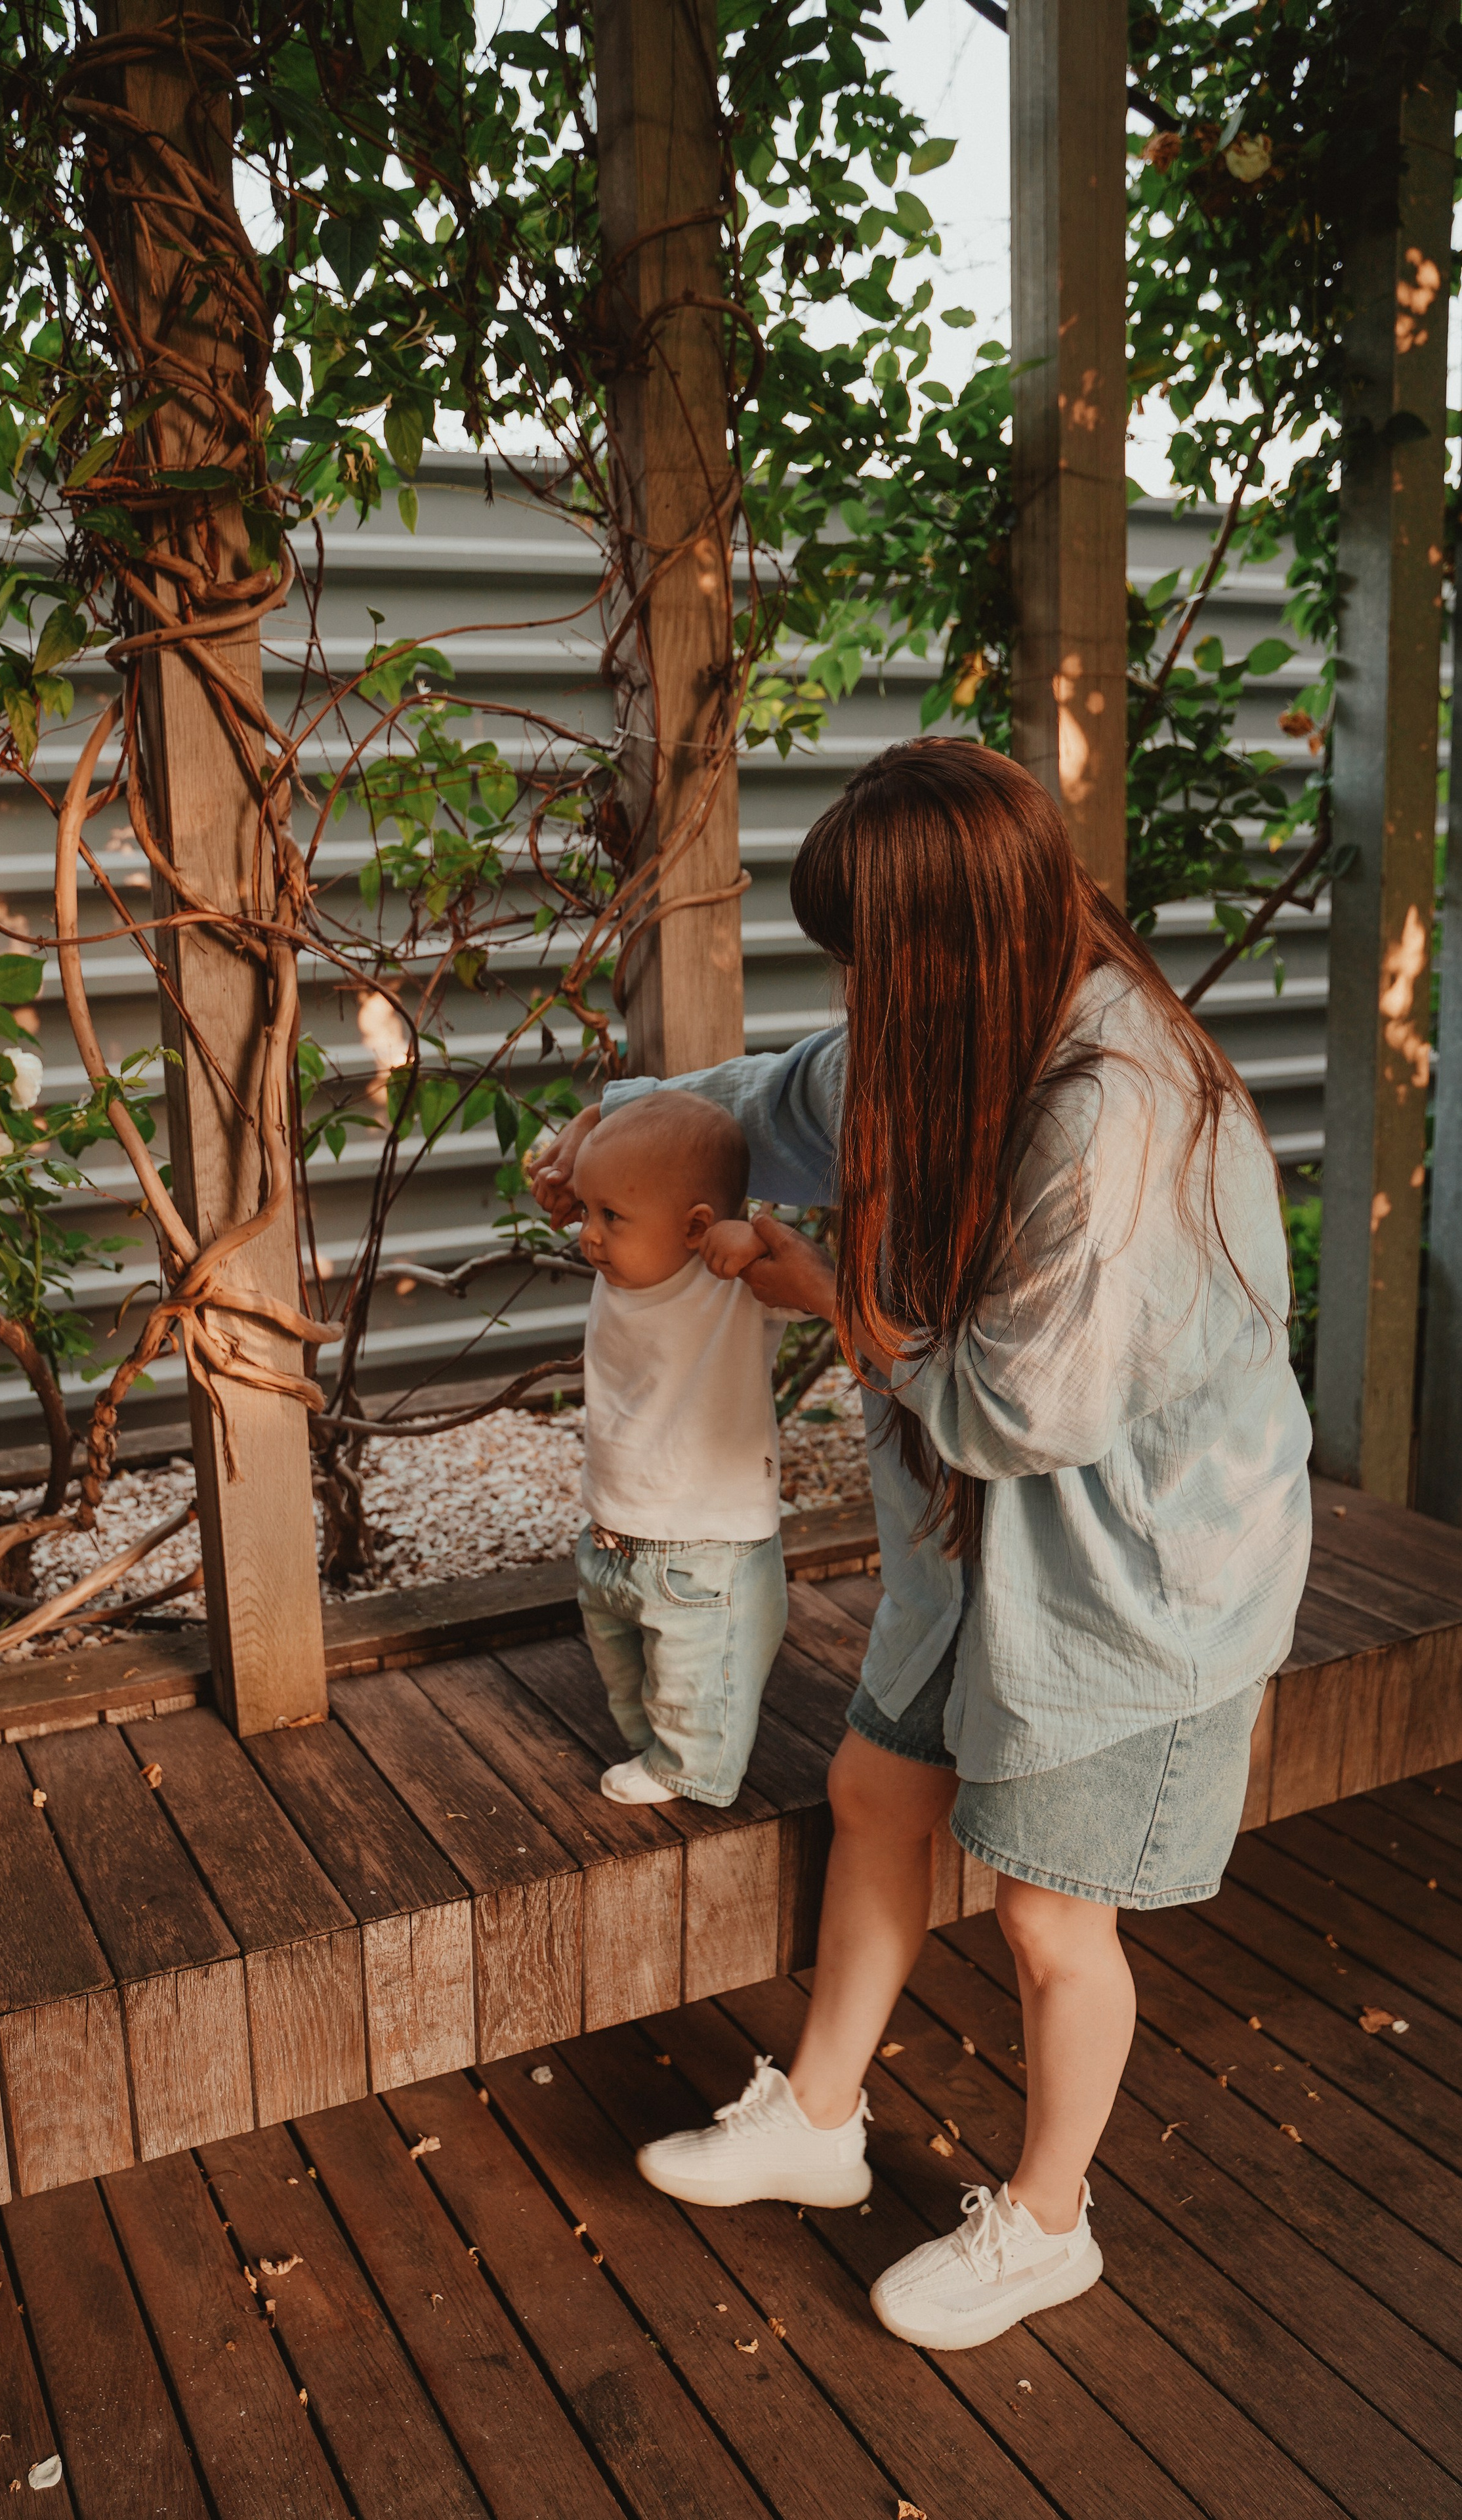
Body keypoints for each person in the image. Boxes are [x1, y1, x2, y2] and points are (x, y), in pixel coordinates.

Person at [531, 738, 1311, 2351]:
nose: (855, 998)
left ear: (950, 945)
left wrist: (822, 1291)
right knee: (878, 1787)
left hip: (1131, 1581)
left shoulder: (1106, 1124)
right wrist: (610, 1134)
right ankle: (819, 2119)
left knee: (1046, 1919)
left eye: (871, 963)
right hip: (984, 1557)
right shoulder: (948, 1027)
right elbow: (766, 1103)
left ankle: (1045, 2220)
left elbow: (1006, 1416)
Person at [566, 1089, 801, 1809]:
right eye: (586, 1211)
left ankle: (690, 1769)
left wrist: (759, 1239)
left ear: (698, 1226)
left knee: (699, 1666)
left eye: (611, 1217)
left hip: (701, 1542)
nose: (589, 1235)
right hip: (615, 1527)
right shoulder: (624, 1272)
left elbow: (806, 1283)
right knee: (628, 1666)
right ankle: (656, 1748)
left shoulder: (730, 1288)